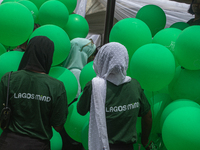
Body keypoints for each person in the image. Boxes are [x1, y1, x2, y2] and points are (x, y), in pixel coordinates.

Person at [77, 42, 152, 150]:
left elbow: (81, 110)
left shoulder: (94, 86)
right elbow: (148, 116)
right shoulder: (135, 85)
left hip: (101, 145)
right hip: (128, 147)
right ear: (125, 59)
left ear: (101, 59)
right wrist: (145, 140)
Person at [0, 36, 68, 150]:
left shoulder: (9, 78)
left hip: (8, 143)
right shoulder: (56, 86)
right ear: (49, 56)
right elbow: (58, 126)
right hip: (38, 145)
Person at [60, 38, 96, 150]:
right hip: (75, 125)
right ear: (83, 54)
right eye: (92, 54)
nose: (94, 58)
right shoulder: (78, 74)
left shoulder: (64, 71)